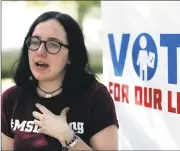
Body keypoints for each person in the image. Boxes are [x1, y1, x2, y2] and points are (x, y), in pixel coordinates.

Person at [1, 11, 119, 151]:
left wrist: (67, 136)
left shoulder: (96, 97)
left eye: (52, 44)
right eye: (35, 42)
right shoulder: (11, 98)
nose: (40, 51)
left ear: (71, 55)